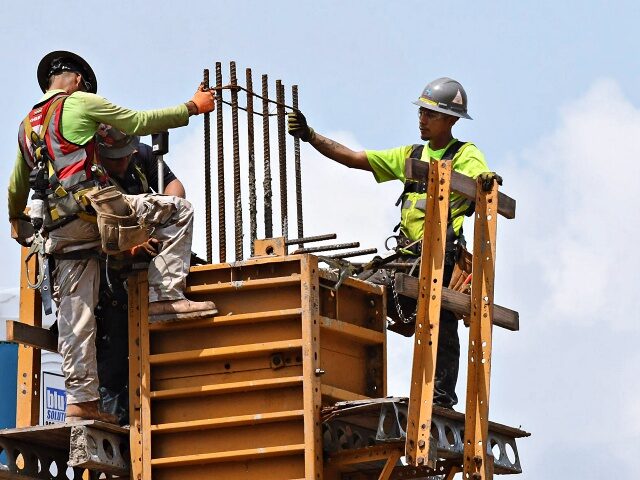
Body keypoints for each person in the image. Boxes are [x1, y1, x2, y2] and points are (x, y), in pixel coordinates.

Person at [8, 50, 217, 422]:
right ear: (77, 81)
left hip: (58, 232)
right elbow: (137, 121)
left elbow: (15, 186)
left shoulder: (27, 125)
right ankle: (164, 296)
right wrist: (192, 106)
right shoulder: (79, 102)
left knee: (76, 317)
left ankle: (81, 403)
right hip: (95, 214)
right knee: (178, 210)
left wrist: (13, 219)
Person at [287, 77, 497, 408]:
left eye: (431, 114)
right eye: (421, 112)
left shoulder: (465, 154)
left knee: (440, 318)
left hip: (442, 260)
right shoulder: (411, 155)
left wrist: (487, 182)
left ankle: (441, 402)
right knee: (356, 293)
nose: (422, 119)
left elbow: (484, 178)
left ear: (451, 120)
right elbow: (354, 158)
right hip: (406, 259)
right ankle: (334, 379)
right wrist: (311, 136)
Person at [93, 127, 186, 424]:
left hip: (145, 274)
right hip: (109, 283)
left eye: (124, 157)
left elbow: (175, 189)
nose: (120, 164)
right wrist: (130, 244)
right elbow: (90, 237)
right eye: (114, 159)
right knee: (114, 365)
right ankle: (116, 427)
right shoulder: (87, 177)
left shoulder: (143, 155)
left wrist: (162, 216)